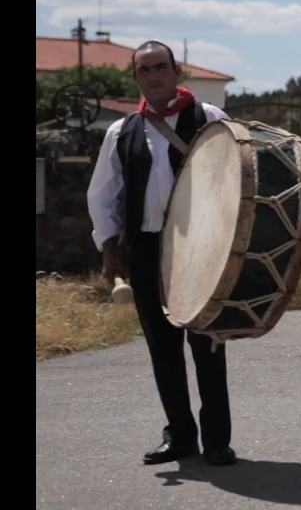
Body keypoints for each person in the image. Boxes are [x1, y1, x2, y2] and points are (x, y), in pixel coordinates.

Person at [86, 40, 237, 466]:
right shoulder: (121, 131)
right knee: (163, 348)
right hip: (146, 248)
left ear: (176, 72)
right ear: (136, 77)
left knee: (206, 344)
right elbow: (103, 195)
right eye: (144, 69)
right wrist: (109, 248)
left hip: (202, 247)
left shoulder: (210, 119)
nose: (153, 75)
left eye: (160, 67)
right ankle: (181, 436)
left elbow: (238, 177)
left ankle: (217, 440)